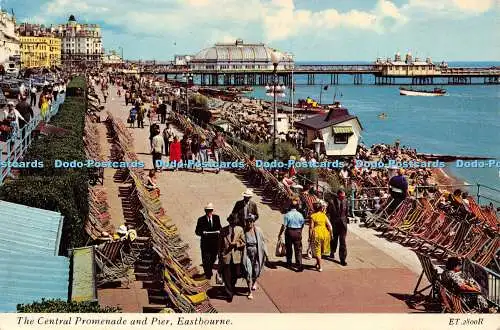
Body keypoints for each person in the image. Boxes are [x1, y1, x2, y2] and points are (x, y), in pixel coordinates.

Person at [218, 213, 245, 302]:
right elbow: (219, 245)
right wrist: (220, 256)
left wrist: (237, 244)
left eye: (234, 222)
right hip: (226, 256)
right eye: (231, 222)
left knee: (235, 275)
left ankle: (231, 288)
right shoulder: (223, 230)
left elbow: (244, 243)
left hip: (236, 257)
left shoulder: (240, 229)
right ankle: (229, 294)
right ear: (229, 221)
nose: (233, 224)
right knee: (227, 276)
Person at [242, 214, 267, 299]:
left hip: (257, 252)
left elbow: (263, 242)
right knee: (248, 272)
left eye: (251, 221)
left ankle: (254, 281)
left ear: (253, 222)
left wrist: (266, 254)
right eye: (248, 221)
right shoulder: (243, 231)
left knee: (256, 271)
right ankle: (249, 292)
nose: (249, 223)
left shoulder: (258, 230)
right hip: (247, 253)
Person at [195, 203, 222, 279]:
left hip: (214, 244)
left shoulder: (216, 218)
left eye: (210, 210)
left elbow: (220, 227)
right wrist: (202, 233)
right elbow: (197, 231)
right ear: (205, 211)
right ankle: (208, 274)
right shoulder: (201, 220)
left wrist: (219, 231)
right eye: (208, 210)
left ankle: (209, 271)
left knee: (213, 258)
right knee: (206, 259)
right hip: (205, 244)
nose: (209, 212)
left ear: (212, 210)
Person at [277, 198, 305, 271]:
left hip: (289, 232)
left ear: (290, 206)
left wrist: (280, 234)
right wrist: (300, 231)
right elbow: (302, 224)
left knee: (289, 248)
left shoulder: (287, 215)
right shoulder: (300, 215)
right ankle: (299, 264)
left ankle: (289, 263)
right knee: (298, 249)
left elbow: (284, 226)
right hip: (298, 232)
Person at [327, 188, 349, 266]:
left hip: (343, 224)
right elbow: (328, 213)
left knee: (343, 242)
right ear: (338, 195)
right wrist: (328, 224)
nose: (343, 197)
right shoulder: (332, 202)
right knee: (334, 239)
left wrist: (345, 221)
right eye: (342, 196)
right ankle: (332, 251)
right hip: (334, 223)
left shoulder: (346, 201)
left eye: (344, 196)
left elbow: (346, 213)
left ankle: (342, 259)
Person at [309, 202, 332, 272]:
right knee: (321, 250)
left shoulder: (313, 216)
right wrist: (331, 233)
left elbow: (311, 227)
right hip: (325, 233)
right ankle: (317, 263)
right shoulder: (324, 215)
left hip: (317, 233)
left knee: (317, 250)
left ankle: (320, 267)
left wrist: (310, 237)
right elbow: (330, 226)